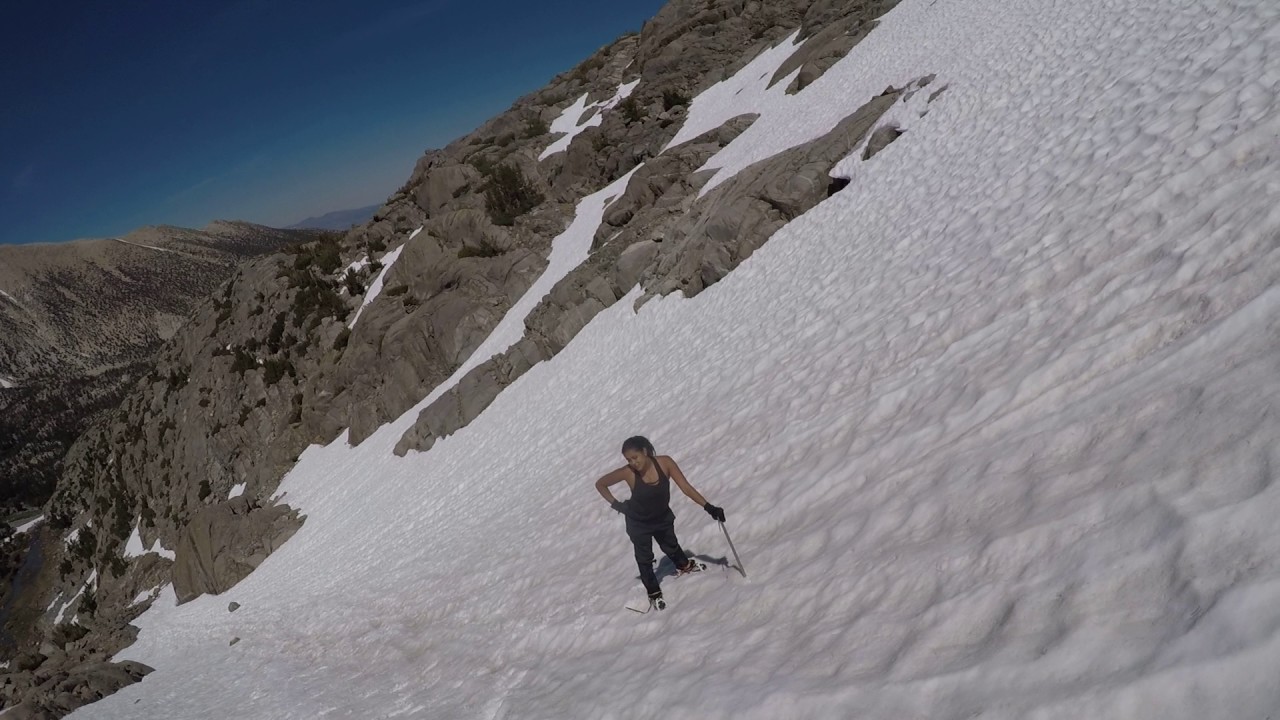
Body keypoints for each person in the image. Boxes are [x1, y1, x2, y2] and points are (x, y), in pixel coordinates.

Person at [594, 436, 726, 609]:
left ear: (645, 452)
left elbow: (685, 487)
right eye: (628, 460)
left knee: (670, 543)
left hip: (661, 517)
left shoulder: (665, 463)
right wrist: (617, 505)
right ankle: (654, 592)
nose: (633, 463)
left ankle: (684, 565)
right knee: (644, 558)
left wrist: (709, 507)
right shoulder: (628, 473)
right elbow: (600, 484)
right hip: (638, 523)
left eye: (635, 457)